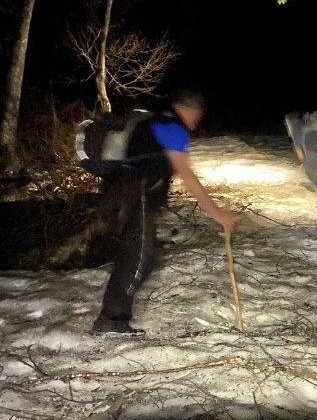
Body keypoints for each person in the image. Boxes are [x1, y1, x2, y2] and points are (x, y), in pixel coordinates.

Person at [92, 89, 236, 335]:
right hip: (135, 191)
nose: (196, 122)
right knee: (141, 255)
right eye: (197, 116)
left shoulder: (157, 121)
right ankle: (111, 319)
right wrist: (217, 214)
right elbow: (187, 175)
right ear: (189, 110)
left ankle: (113, 316)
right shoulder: (172, 127)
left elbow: (171, 167)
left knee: (139, 253)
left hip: (123, 190)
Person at [284, 111, 317, 193]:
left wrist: (300, 153)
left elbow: (298, 140)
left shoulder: (296, 126)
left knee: (307, 168)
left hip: (312, 145)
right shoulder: (309, 123)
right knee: (311, 164)